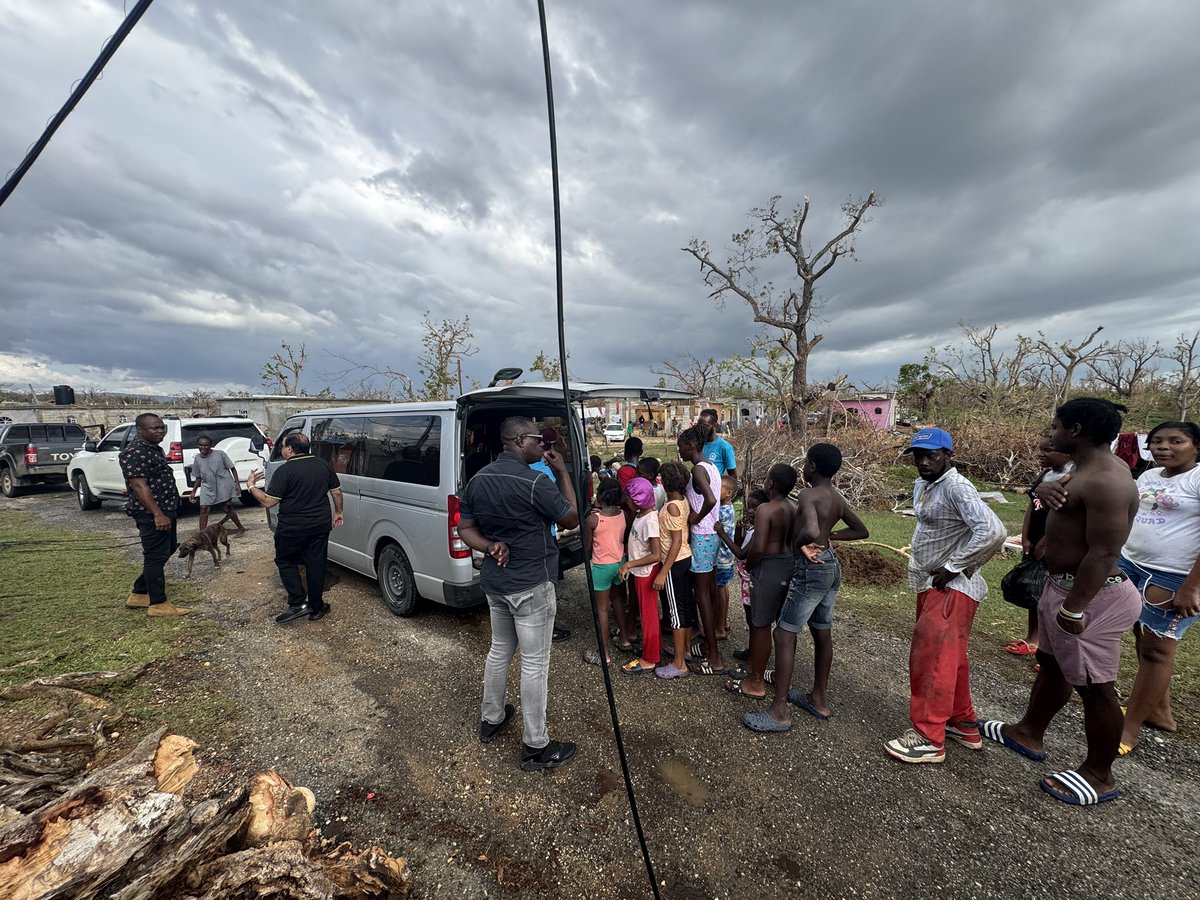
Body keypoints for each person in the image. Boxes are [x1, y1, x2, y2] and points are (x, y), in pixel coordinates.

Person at [981, 399, 1140, 806]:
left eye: (1054, 426)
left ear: (1076, 429)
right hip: (1060, 586)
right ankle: (1028, 732)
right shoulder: (1081, 470)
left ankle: (1099, 774)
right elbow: (1065, 513)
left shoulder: (1108, 480)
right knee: (1052, 666)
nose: (1050, 434)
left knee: (1096, 687)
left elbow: (1104, 552)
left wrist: (1076, 606)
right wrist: (1042, 488)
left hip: (1093, 598)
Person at [455, 417, 579, 772]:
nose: (543, 447)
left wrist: (490, 545)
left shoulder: (478, 479)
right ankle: (536, 746)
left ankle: (492, 718)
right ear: (520, 439)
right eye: (539, 441)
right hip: (530, 586)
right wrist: (564, 473)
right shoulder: (536, 481)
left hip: (495, 584)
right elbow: (570, 519)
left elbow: (465, 527)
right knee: (535, 663)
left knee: (499, 650)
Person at [884, 428, 1005, 764]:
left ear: (948, 455)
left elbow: (994, 531)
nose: (923, 462)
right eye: (918, 456)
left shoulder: (956, 486)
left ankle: (928, 737)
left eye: (931, 455)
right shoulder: (924, 483)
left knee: (931, 660)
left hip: (951, 587)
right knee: (951, 659)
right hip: (931, 582)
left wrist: (954, 566)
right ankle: (962, 722)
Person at [747, 444, 868, 731]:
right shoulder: (836, 497)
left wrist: (802, 541)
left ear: (812, 466)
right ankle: (818, 699)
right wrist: (829, 537)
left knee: (784, 633)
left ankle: (778, 712)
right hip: (830, 565)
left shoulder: (807, 494)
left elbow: (812, 530)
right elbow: (861, 530)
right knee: (821, 630)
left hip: (811, 571)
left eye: (805, 462)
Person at [1114, 421, 1200, 754]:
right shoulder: (1149, 476)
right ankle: (1160, 713)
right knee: (1141, 636)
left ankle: (1128, 729)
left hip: (1174, 577)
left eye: (1176, 441)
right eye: (1156, 441)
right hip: (1132, 564)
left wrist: (1192, 588)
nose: (1163, 447)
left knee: (1157, 651)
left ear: (1196, 446)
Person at [246, 433, 344, 624]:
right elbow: (336, 492)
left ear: (290, 448)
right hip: (320, 525)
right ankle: (317, 607)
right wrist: (339, 512)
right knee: (316, 564)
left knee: (285, 561)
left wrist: (250, 486)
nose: (282, 450)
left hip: (292, 528)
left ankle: (298, 602)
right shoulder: (323, 465)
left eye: (282, 446)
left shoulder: (285, 471)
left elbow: (268, 501)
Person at [725, 463, 796, 701]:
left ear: (770, 484)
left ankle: (755, 681)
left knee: (760, 625)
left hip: (768, 569)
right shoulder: (792, 508)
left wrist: (752, 568)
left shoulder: (766, 509)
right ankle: (772, 673)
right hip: (787, 566)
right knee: (780, 625)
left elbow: (756, 549)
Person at [1002, 436, 1073, 656]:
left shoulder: (1072, 478)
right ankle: (1033, 638)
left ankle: (1050, 648)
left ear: (1067, 452)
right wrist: (1025, 538)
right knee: (1036, 593)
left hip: (1057, 546)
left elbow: (1065, 518)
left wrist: (1044, 543)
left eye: (1048, 450)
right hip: (1034, 542)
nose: (1041, 455)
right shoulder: (1045, 475)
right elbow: (1033, 506)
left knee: (1054, 597)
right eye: (1040, 450)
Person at [120, 413, 188, 617]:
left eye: (162, 427)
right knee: (155, 556)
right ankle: (158, 603)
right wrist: (158, 514)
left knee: (166, 550)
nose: (160, 431)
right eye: (154, 428)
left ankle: (140, 593)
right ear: (140, 430)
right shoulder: (135, 451)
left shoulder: (152, 448)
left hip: (165, 508)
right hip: (152, 513)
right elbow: (139, 486)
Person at [678, 427, 725, 675]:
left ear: (692, 446)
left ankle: (715, 657)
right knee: (708, 591)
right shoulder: (711, 467)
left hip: (702, 536)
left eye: (681, 446)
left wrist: (695, 519)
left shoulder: (697, 469)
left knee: (702, 596)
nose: (679, 450)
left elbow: (709, 499)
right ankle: (709, 646)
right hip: (711, 536)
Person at [527, 426, 573, 643]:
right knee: (547, 585)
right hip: (546, 535)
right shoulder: (545, 474)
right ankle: (547, 628)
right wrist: (562, 472)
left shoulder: (523, 469)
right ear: (548, 447)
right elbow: (564, 511)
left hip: (529, 537)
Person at [582, 478, 632, 666]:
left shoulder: (593, 519)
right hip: (620, 563)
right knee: (618, 600)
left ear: (600, 495)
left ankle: (604, 654)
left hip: (602, 567)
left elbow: (587, 547)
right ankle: (625, 639)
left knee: (602, 609)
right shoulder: (622, 515)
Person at [654, 461, 696, 680]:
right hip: (685, 560)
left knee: (676, 613)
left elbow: (676, 542)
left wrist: (663, 572)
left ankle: (679, 664)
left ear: (665, 483)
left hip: (674, 562)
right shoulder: (682, 500)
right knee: (685, 607)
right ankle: (685, 650)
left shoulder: (671, 506)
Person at [619, 477, 662, 674]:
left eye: (628, 498)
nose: (626, 501)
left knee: (649, 616)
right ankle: (651, 648)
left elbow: (656, 554)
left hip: (646, 573)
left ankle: (650, 658)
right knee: (646, 614)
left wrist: (630, 563)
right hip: (639, 572)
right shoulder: (640, 515)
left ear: (637, 499)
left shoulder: (651, 520)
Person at [188, 435, 246, 536]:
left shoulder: (220, 454)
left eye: (206, 445)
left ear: (210, 445)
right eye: (200, 445)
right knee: (204, 508)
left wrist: (237, 484)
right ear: (197, 445)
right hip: (207, 485)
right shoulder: (197, 458)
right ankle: (202, 535)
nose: (203, 448)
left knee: (226, 508)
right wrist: (193, 491)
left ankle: (240, 528)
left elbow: (232, 468)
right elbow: (198, 476)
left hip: (223, 484)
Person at [713, 475, 738, 641]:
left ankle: (719, 628)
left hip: (721, 557)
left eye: (719, 487)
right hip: (726, 557)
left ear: (728, 493)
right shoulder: (727, 507)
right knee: (723, 587)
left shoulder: (723, 511)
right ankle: (724, 621)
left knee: (719, 589)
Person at [697, 408, 737, 479]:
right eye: (699, 426)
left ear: (714, 426)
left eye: (705, 426)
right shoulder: (697, 443)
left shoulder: (724, 447)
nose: (701, 429)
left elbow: (733, 475)